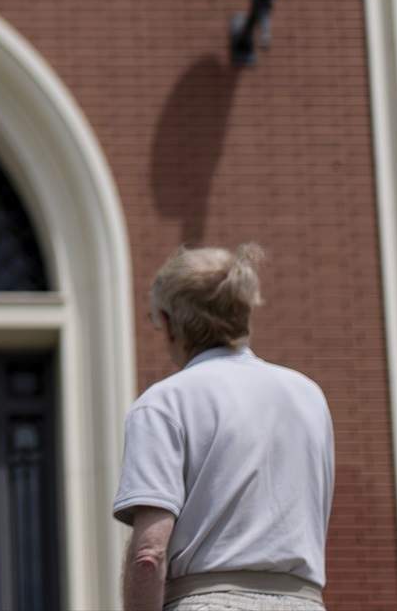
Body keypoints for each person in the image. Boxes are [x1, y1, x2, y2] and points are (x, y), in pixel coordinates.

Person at [113, 245, 334, 611]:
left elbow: (149, 554)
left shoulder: (164, 403)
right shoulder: (309, 397)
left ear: (169, 324)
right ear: (245, 312)